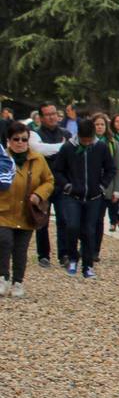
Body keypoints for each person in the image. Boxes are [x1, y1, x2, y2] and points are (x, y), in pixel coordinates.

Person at [50, 118, 115, 279]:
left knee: (89, 231)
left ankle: (88, 265)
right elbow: (57, 170)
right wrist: (67, 186)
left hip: (94, 196)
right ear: (78, 135)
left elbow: (110, 168)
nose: (86, 143)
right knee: (72, 226)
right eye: (84, 140)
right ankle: (73, 258)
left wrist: (102, 186)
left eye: (89, 140)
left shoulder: (101, 147)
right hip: (72, 196)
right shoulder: (67, 148)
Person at [0, 122, 55, 299]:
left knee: (21, 249)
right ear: (8, 141)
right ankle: (2, 277)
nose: (20, 143)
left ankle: (18, 282)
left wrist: (39, 195)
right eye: (16, 139)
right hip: (3, 211)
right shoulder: (2, 159)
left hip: (27, 213)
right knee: (4, 243)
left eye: (24, 139)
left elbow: (49, 181)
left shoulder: (38, 159)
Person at [27, 102, 67, 267]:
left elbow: (71, 151)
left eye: (54, 113)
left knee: (64, 219)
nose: (52, 117)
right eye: (48, 114)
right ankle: (43, 255)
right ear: (41, 118)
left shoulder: (66, 133)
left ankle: (64, 253)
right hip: (42, 182)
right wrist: (62, 147)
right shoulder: (33, 134)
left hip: (62, 182)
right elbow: (39, 150)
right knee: (41, 219)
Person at [91, 112, 119, 263]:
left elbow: (118, 167)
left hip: (106, 187)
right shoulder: (87, 142)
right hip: (90, 186)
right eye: (97, 124)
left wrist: (117, 189)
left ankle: (95, 250)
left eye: (102, 124)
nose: (99, 127)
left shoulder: (113, 143)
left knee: (99, 220)